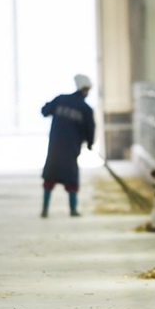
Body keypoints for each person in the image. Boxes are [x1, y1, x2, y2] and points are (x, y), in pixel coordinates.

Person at [40, 74, 96, 218]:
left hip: (55, 146)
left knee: (50, 177)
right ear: (86, 89)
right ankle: (73, 210)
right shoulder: (85, 109)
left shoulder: (61, 99)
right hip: (72, 148)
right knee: (71, 178)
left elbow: (44, 111)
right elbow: (90, 129)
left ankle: (45, 209)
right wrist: (90, 144)